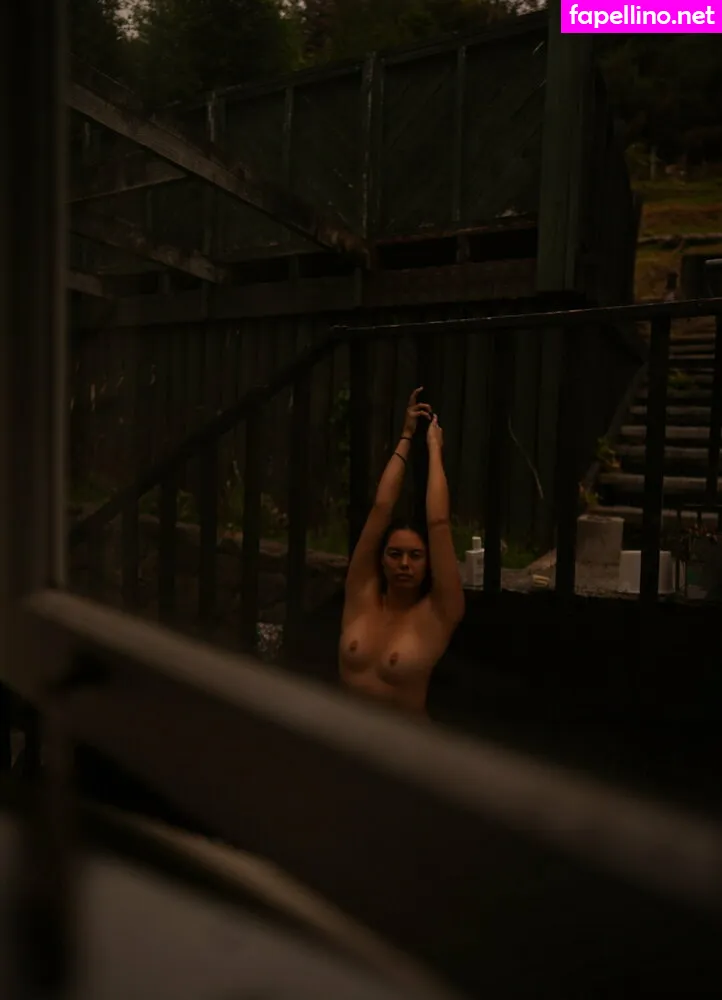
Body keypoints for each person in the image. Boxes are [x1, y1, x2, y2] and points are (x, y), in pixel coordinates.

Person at [339, 387, 465, 716]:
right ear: (381, 559)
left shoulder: (438, 612)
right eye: (395, 554)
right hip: (345, 738)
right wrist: (406, 436)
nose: (404, 564)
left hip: (401, 744)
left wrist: (435, 449)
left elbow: (438, 522)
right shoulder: (361, 594)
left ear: (428, 563)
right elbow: (381, 508)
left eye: (415, 556)